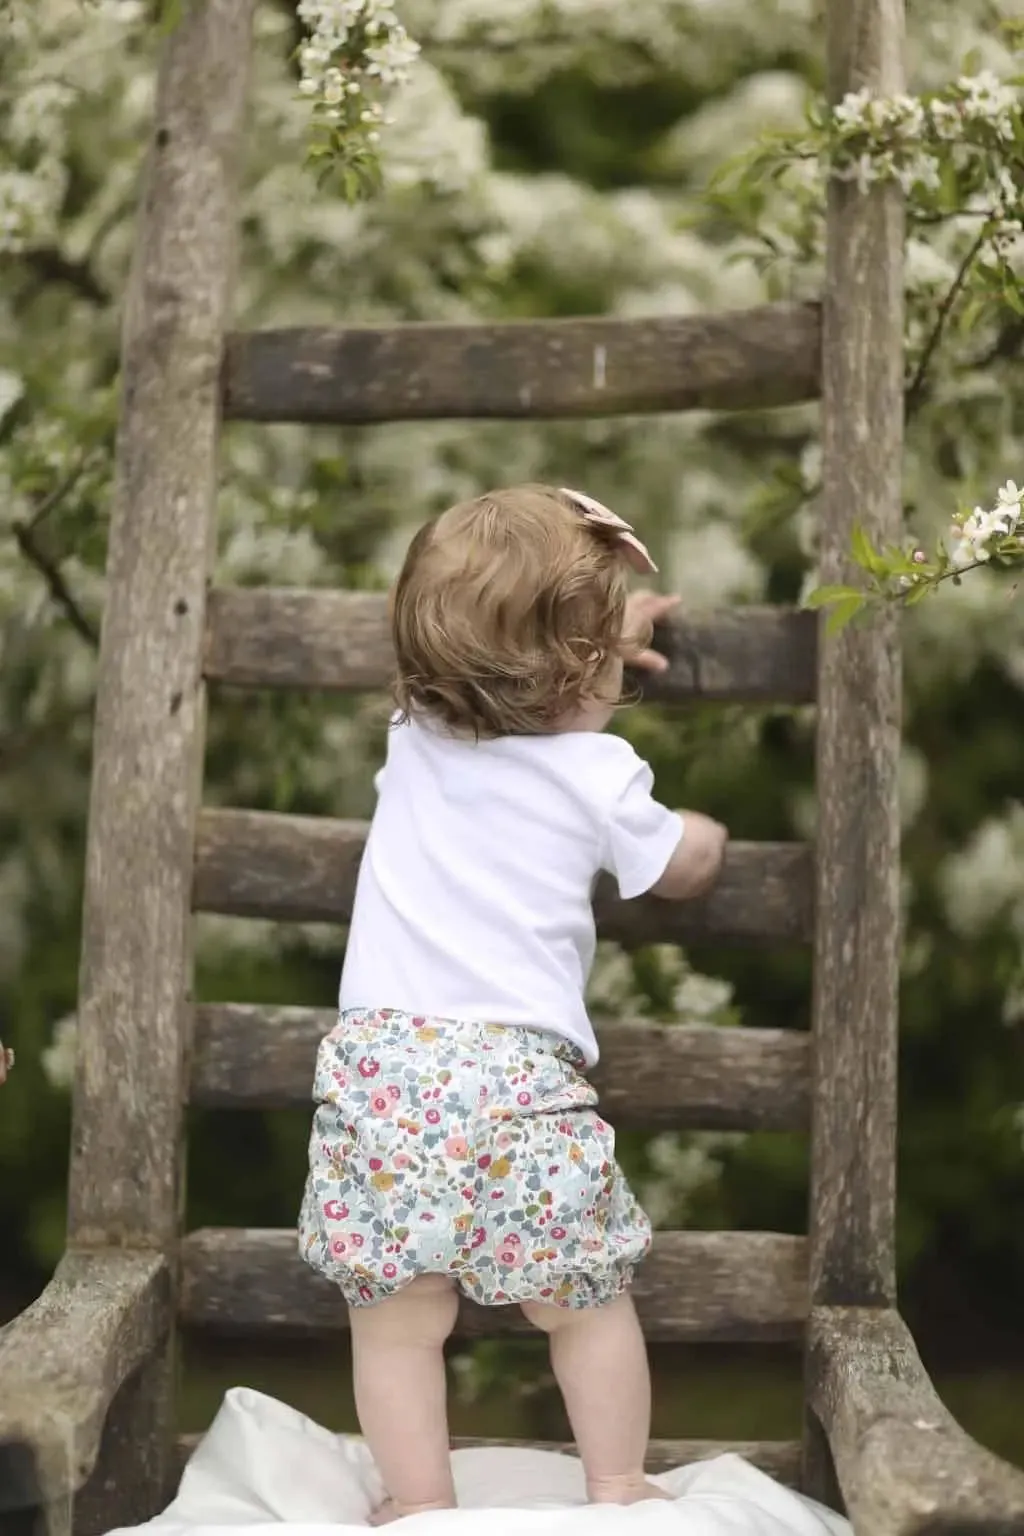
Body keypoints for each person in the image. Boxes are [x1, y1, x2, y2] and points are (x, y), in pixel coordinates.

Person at [298, 484, 729, 1524]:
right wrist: (703, 832)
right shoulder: (599, 776)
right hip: (514, 1091)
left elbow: (497, 660)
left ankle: (416, 1502)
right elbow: (682, 866)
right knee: (582, 1302)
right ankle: (617, 1483)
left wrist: (594, 639)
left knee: (395, 1320)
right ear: (588, 668)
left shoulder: (416, 738)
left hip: (383, 1076)